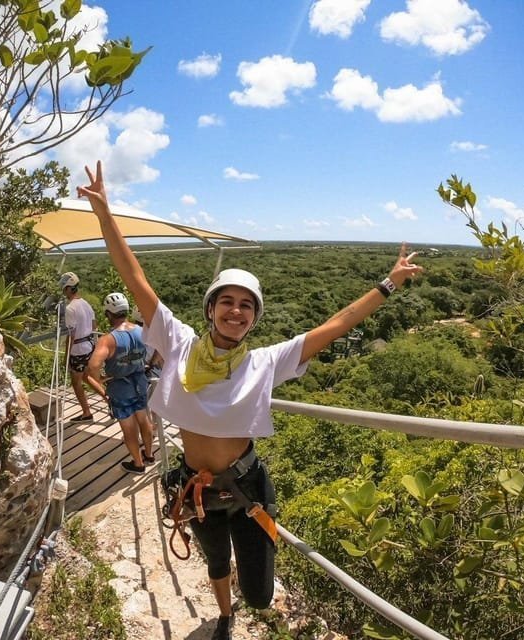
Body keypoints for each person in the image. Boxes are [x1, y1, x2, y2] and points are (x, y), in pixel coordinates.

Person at [77, 161, 422, 640]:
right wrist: (105, 215)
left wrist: (388, 284)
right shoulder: (177, 344)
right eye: (227, 302)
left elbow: (337, 324)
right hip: (196, 486)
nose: (235, 311)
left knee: (260, 590)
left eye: (246, 305)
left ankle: (249, 599)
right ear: (212, 309)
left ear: (253, 317)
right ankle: (223, 616)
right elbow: (134, 277)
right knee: (215, 562)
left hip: (247, 486)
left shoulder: (265, 362)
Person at [87, 292, 155, 474]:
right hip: (140, 382)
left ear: (109, 313)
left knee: (129, 429)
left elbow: (93, 365)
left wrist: (100, 378)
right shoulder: (141, 331)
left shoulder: (108, 339)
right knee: (144, 420)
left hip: (120, 387)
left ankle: (138, 464)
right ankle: (149, 455)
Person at [60, 272, 104, 422]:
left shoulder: (70, 309)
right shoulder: (86, 303)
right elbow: (94, 325)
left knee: (76, 382)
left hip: (78, 349)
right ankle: (109, 400)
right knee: (87, 377)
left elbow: (71, 335)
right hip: (89, 345)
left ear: (67, 289)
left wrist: (66, 357)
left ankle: (86, 412)